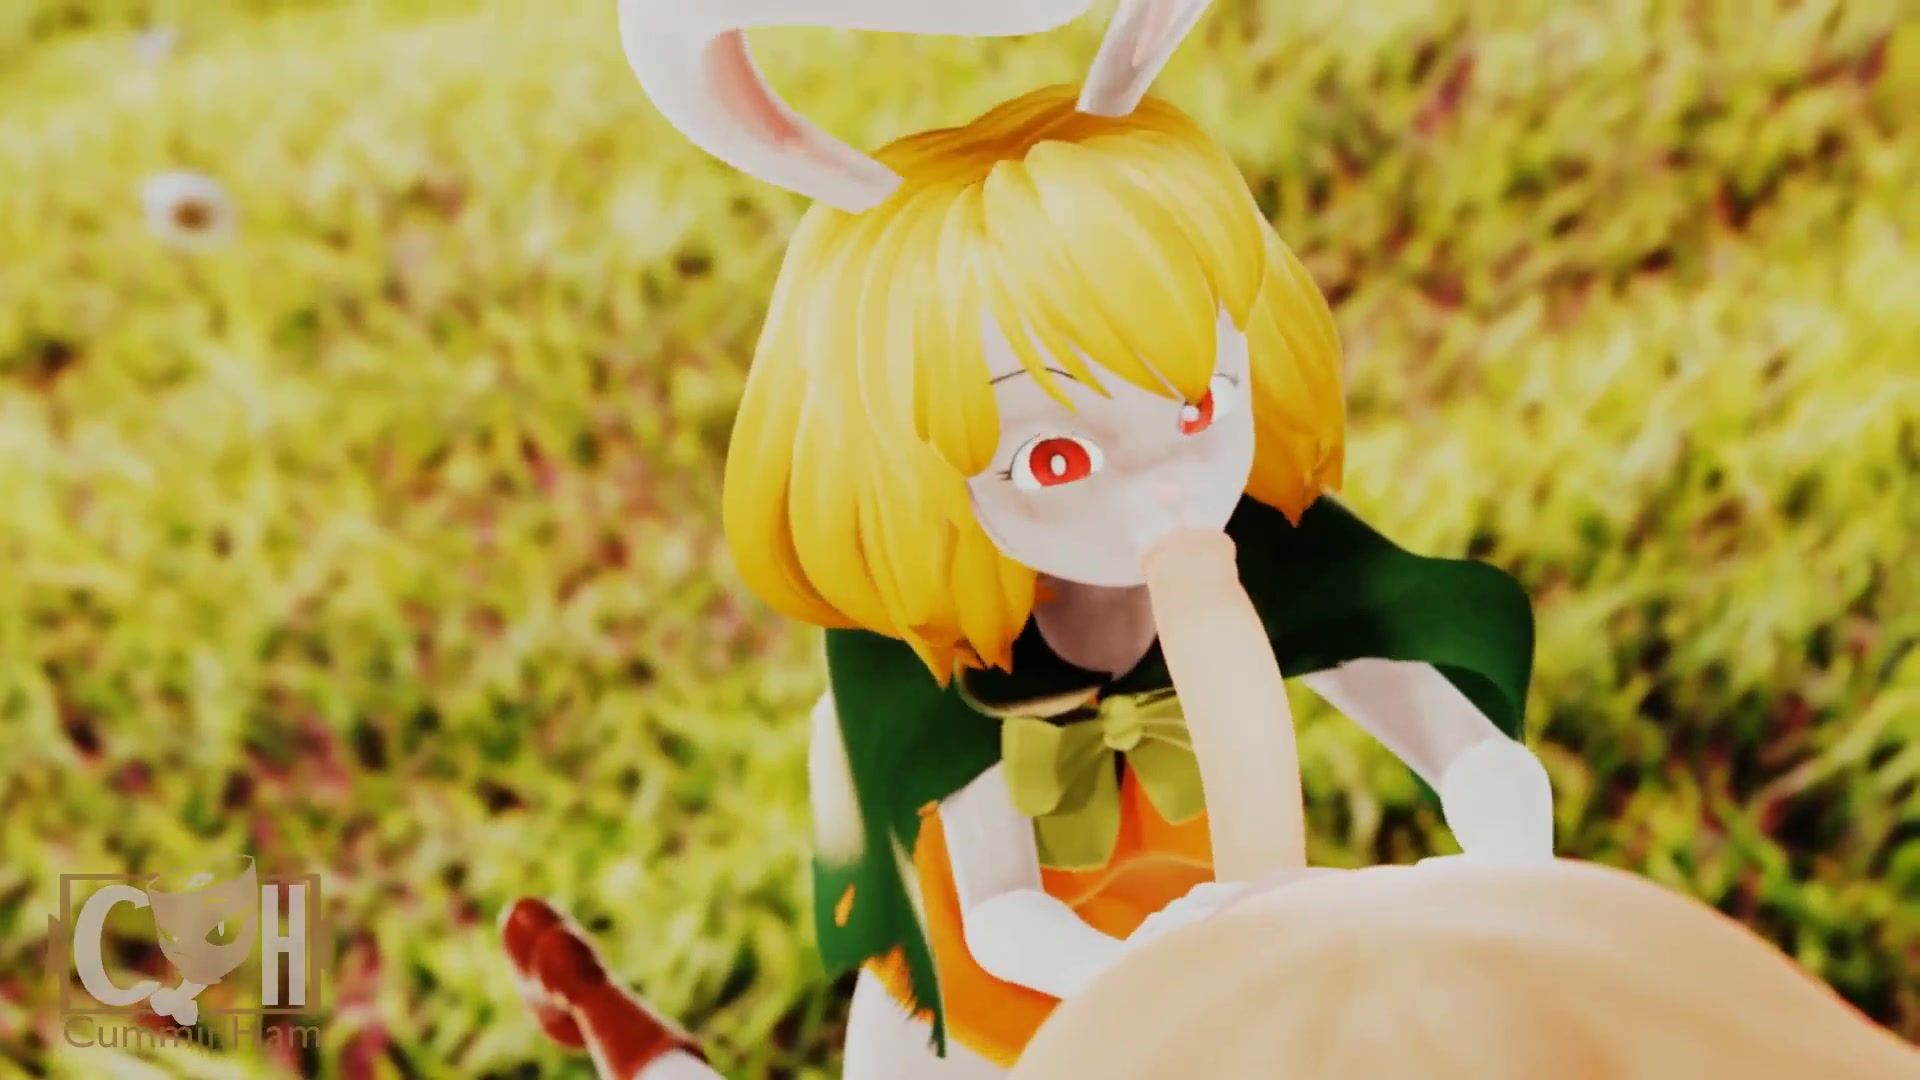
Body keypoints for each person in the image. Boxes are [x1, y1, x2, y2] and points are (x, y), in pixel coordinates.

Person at [507, 2, 1560, 1075]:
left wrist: (1502, 862)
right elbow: (1001, 916)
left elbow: (1460, 736)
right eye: (1055, 460)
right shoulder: (927, 629)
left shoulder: (1254, 537)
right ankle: (614, 1023)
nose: (1168, 487)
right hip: (980, 1023)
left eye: (1198, 405)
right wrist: (1173, 965)